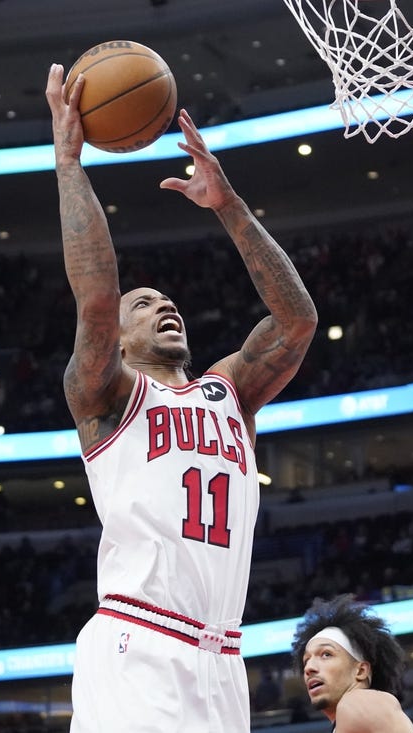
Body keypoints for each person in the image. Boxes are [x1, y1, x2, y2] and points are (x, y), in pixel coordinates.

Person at [46, 62, 318, 733]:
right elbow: (98, 296)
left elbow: (296, 321)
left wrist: (229, 208)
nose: (163, 305)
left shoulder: (230, 392)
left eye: (168, 301)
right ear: (121, 333)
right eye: (146, 305)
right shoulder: (104, 395)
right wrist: (69, 164)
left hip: (222, 656)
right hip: (138, 639)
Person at [292, 595, 413, 732]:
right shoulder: (351, 716)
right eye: (306, 660)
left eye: (326, 654)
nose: (309, 668)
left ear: (361, 671)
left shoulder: (355, 702)